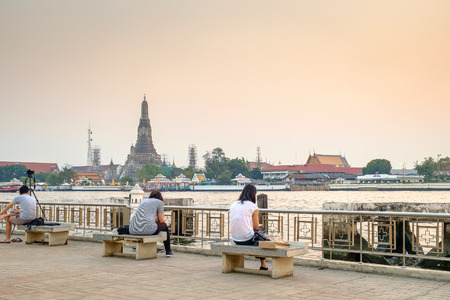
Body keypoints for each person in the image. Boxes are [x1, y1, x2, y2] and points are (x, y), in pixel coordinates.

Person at [229, 184, 268, 270]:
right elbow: (256, 227)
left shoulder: (233, 204)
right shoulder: (253, 206)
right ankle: (263, 264)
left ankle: (263, 264)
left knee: (257, 234)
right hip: (246, 239)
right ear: (253, 194)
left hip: (235, 238)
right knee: (262, 234)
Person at [129, 190, 173, 257]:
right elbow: (161, 220)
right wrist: (164, 219)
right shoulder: (159, 202)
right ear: (160, 197)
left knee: (152, 225)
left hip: (133, 229)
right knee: (164, 226)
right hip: (146, 229)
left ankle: (157, 249)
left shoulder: (143, 201)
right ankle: (168, 251)